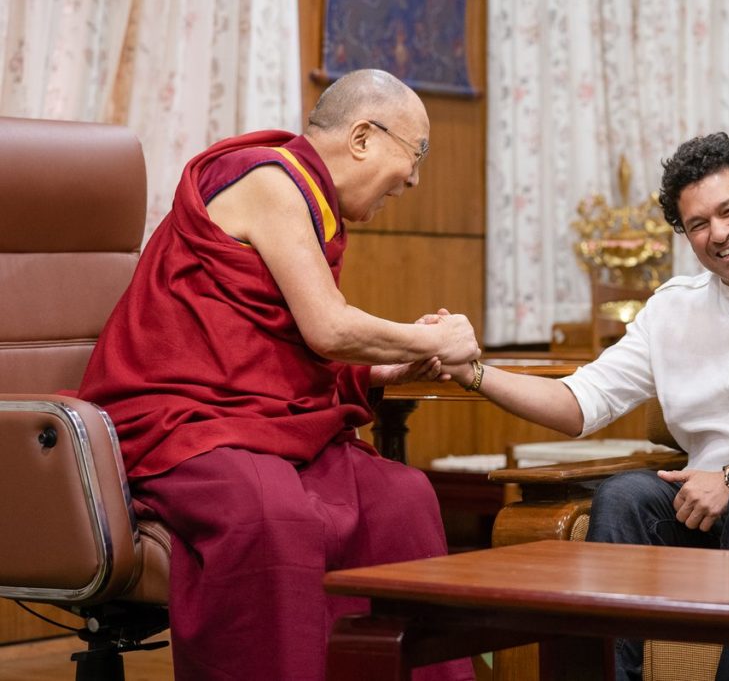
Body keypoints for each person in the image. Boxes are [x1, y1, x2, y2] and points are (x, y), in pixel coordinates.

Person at [441, 132, 729, 681]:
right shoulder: (672, 310)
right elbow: (577, 403)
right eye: (698, 224)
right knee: (625, 495)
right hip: (708, 507)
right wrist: (474, 373)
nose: (719, 234)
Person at [78, 69, 478, 681]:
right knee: (271, 511)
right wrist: (435, 339)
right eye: (415, 154)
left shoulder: (311, 202)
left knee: (401, 498)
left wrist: (376, 369)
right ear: (365, 137)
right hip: (179, 421)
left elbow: (276, 356)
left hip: (254, 424)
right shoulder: (268, 179)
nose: (416, 178)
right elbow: (326, 328)